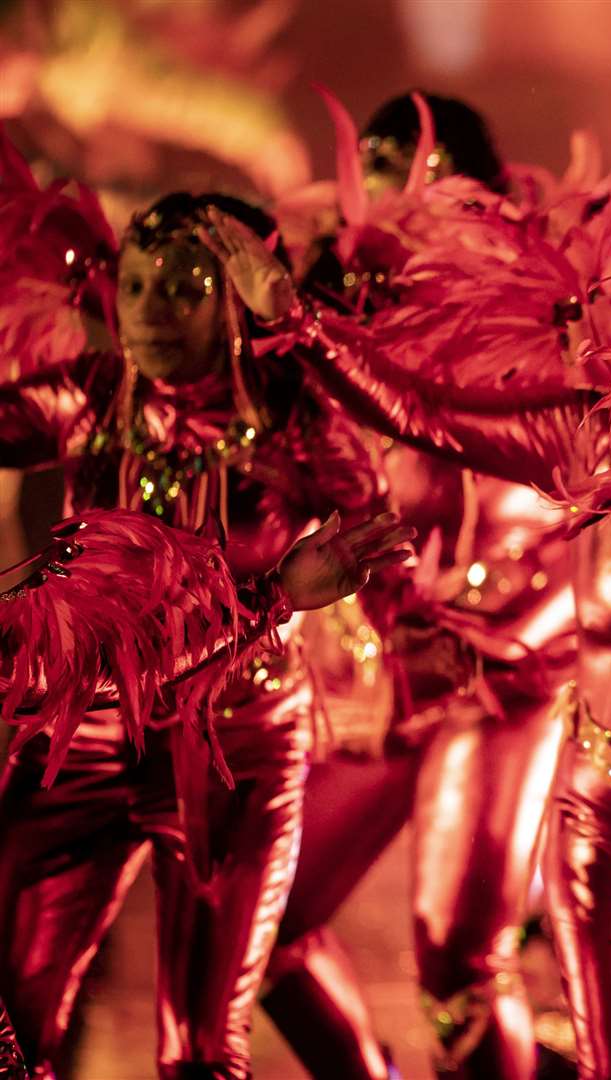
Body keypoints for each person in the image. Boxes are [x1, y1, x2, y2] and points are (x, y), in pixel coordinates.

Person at [0, 168, 400, 1079]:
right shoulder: (96, 395)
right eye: (136, 284)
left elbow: (375, 497)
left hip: (240, 743)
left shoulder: (294, 418)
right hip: (86, 733)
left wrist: (299, 335)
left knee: (203, 1054)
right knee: (14, 1024)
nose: (149, 309)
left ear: (240, 303)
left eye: (185, 288)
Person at [257, 91, 572, 1080]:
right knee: (267, 922)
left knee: (459, 964)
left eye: (424, 172)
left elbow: (581, 488)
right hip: (384, 660)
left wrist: (507, 624)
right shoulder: (339, 298)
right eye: (381, 167)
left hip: (507, 667)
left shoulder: (540, 298)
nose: (398, 191)